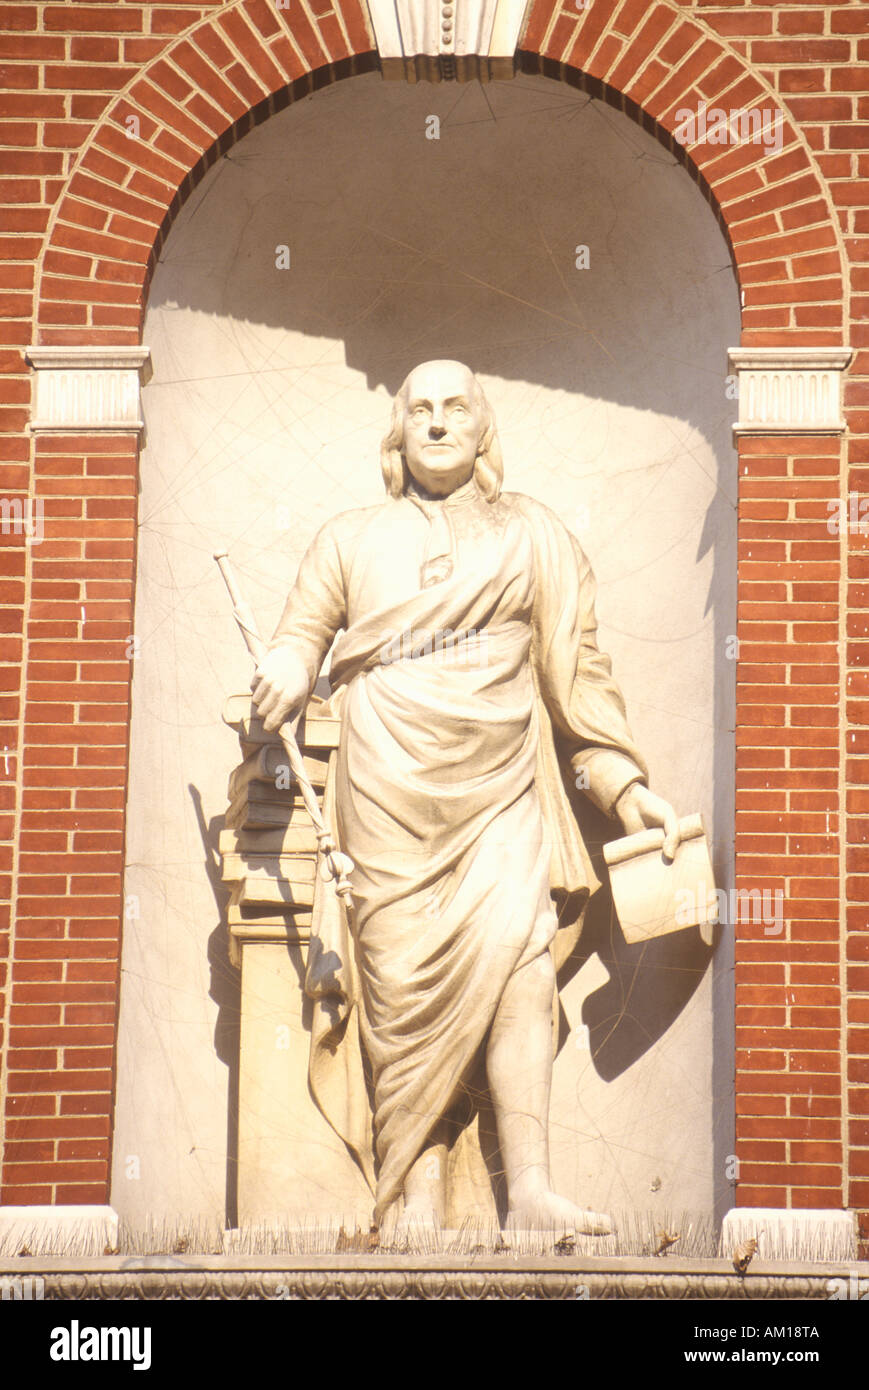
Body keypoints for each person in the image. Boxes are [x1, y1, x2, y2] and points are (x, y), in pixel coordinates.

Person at [252, 360, 682, 1234]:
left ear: (484, 427)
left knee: (520, 960)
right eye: (420, 409)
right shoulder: (347, 538)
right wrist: (289, 667)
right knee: (400, 982)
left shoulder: (534, 535)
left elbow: (576, 675)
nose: (438, 422)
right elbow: (302, 634)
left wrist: (620, 785)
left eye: (455, 407)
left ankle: (530, 1191)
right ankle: (414, 1196)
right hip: (384, 783)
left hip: (501, 781)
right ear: (397, 431)